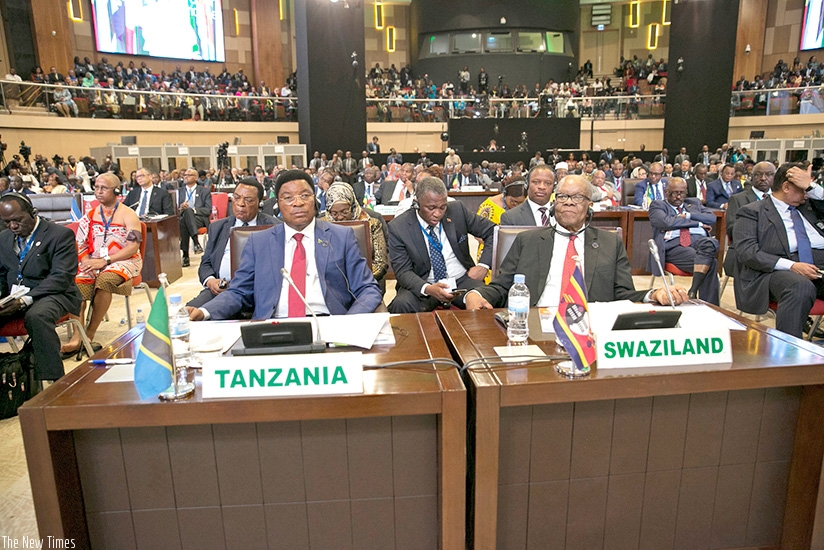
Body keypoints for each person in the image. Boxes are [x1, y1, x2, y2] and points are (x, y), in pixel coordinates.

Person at [465, 175, 688, 309]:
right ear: (554, 203)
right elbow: (502, 286)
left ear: (589, 204)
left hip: (590, 328)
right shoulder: (527, 241)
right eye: (562, 197)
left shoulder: (610, 244)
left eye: (577, 197)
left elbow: (623, 295)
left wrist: (653, 294)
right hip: (536, 323)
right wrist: (476, 294)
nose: (569, 203)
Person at [188, 170, 381, 321]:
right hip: (274, 325)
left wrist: (349, 323)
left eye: (305, 196)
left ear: (315, 200)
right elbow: (238, 292)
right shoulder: (259, 242)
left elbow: (368, 289)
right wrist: (204, 311)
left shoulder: (341, 237)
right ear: (278, 204)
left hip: (329, 322)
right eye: (288, 198)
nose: (298, 203)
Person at [734, 163, 824, 338]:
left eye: (808, 189)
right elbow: (747, 252)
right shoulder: (752, 212)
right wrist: (792, 266)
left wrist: (812, 187)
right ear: (786, 187)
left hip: (818, 266)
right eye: (802, 189)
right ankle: (790, 353)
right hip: (775, 271)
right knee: (799, 286)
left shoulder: (811, 207)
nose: (806, 194)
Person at [0, 193, 81, 382]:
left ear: (33, 212)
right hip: (15, 296)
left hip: (53, 293)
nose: (12, 227)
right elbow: (2, 273)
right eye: (6, 222)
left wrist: (25, 300)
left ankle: (54, 383)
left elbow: (61, 277)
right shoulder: (4, 238)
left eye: (17, 221)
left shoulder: (59, 235)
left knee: (37, 316)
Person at [61, 173, 143, 356]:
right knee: (77, 279)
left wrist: (104, 261)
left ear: (115, 190)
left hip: (125, 261)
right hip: (94, 261)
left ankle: (89, 334)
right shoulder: (89, 215)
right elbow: (80, 242)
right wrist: (86, 262)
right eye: (96, 187)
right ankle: (77, 336)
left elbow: (133, 247)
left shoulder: (129, 215)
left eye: (103, 188)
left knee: (105, 280)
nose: (98, 192)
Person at [387, 177, 495, 313]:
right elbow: (403, 272)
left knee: (492, 297)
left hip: (461, 280)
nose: (437, 214)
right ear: (417, 203)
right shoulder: (398, 227)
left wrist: (483, 266)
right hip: (424, 283)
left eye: (442, 207)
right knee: (401, 304)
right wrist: (428, 288)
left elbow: (492, 231)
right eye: (430, 208)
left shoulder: (457, 211)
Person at [187, 178, 279, 309]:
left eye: (248, 200)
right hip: (221, 291)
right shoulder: (218, 227)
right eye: (236, 198)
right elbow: (206, 263)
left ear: (259, 203)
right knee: (188, 314)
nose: (240, 204)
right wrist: (210, 281)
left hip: (259, 292)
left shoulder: (274, 227)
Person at [648, 178, 720, 304]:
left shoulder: (694, 203)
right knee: (711, 262)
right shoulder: (658, 205)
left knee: (711, 243)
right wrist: (698, 224)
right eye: (675, 193)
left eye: (682, 193)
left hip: (699, 241)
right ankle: (709, 305)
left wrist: (688, 216)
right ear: (666, 192)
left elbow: (712, 218)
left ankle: (694, 290)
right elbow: (666, 222)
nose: (679, 196)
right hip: (675, 246)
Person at [320, 182, 389, 285]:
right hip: (331, 284)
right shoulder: (321, 226)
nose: (339, 217)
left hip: (367, 281)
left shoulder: (372, 223)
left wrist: (358, 280)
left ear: (353, 207)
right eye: (334, 213)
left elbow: (380, 263)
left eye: (344, 212)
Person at [723, 161, 775, 281]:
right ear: (751, 176)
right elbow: (732, 229)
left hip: (775, 253)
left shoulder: (779, 200)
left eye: (768, 174)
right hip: (746, 252)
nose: (763, 178)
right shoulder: (738, 199)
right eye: (758, 175)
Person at [178, 168, 212, 267]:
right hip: (182, 217)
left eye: (189, 175)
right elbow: (173, 209)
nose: (186, 177)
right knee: (184, 217)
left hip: (199, 218)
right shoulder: (179, 191)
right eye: (184, 175)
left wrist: (193, 210)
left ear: (196, 177)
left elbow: (207, 210)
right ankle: (196, 242)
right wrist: (180, 208)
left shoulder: (204, 191)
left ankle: (185, 255)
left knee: (188, 213)